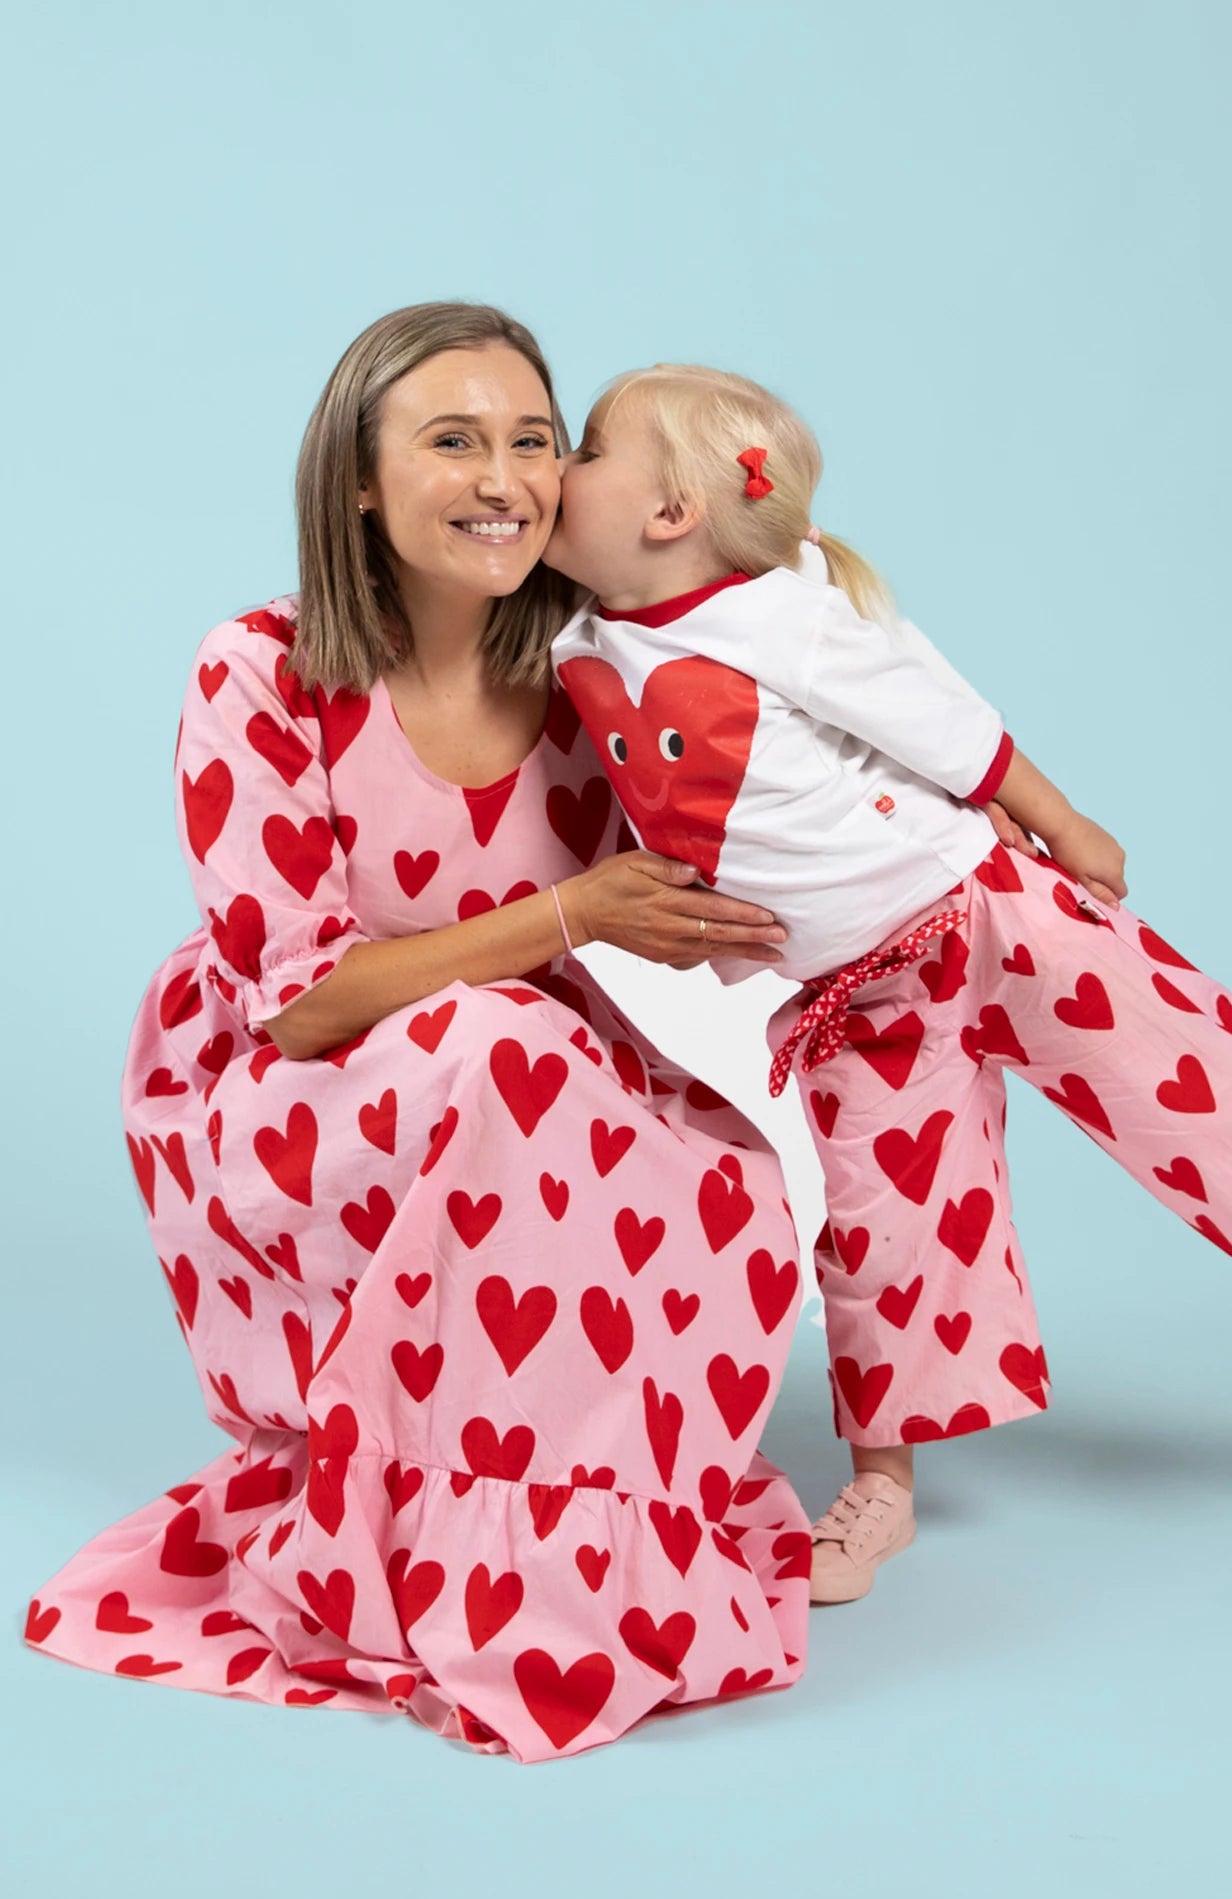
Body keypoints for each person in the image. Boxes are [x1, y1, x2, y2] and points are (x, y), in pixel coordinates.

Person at [542, 361, 1232, 1606]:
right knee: (876, 1229)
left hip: (988, 911)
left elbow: (948, 725)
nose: (554, 473)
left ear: (670, 510)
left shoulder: (781, 616)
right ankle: (885, 1480)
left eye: (580, 446)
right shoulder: (577, 636)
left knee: (1204, 1081)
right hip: (855, 994)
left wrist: (1061, 818)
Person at [22, 308, 814, 1760]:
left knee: (736, 1175)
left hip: (529, 1076)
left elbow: (796, 748)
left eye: (531, 440)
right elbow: (304, 999)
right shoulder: (259, 670)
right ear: (362, 486)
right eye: (452, 439)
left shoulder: (595, 686)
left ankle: (590, 1555)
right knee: (506, 1052)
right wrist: (572, 916)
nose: (503, 474)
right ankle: (455, 1571)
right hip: (295, 1091)